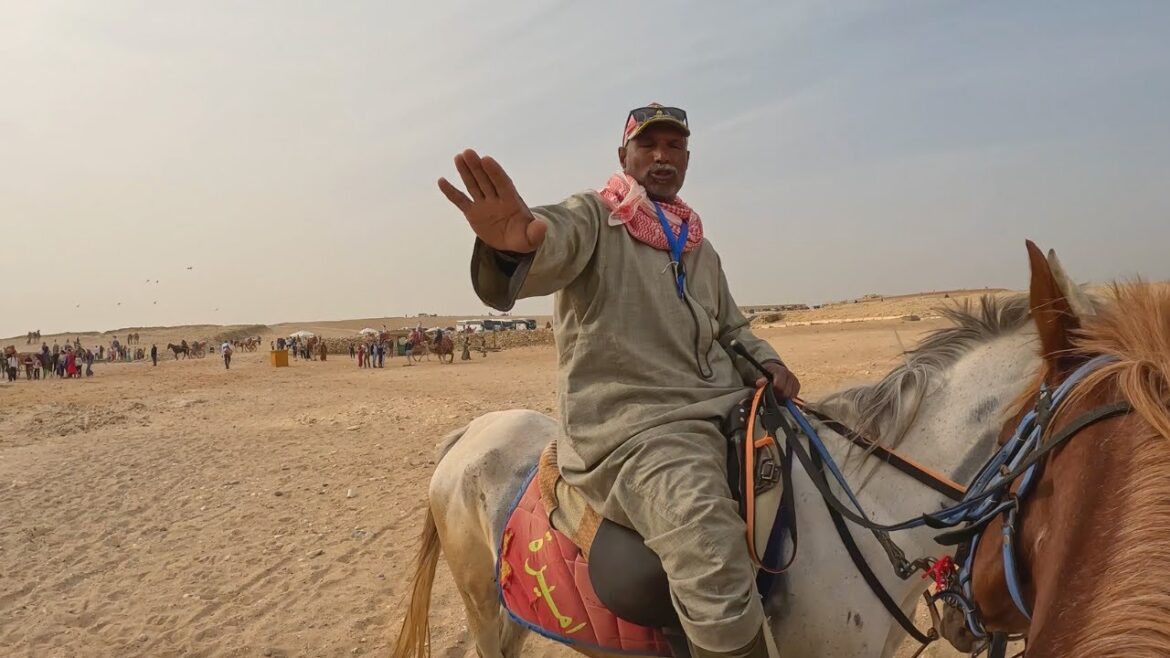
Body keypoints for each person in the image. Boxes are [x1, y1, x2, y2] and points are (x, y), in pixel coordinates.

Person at [439, 104, 800, 658]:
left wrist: (767, 362)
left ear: (686, 157)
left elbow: (730, 327)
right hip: (636, 430)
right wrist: (515, 245)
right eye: (647, 144)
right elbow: (550, 238)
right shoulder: (595, 218)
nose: (661, 156)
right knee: (709, 550)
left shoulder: (697, 245)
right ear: (623, 156)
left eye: (673, 146)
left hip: (724, 407)